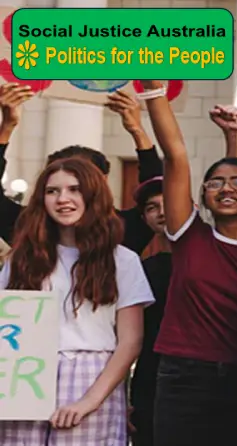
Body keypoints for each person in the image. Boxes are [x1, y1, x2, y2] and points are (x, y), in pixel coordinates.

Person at [133, 80, 237, 446]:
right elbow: (175, 156)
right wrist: (155, 94)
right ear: (203, 197)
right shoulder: (191, 238)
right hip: (183, 383)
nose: (226, 188)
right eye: (214, 182)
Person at [0, 157, 154, 445]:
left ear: (93, 195)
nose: (63, 199)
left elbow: (130, 341)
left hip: (92, 375)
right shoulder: (21, 259)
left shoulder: (122, 260)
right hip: (25, 375)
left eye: (74, 189)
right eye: (52, 191)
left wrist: (89, 401)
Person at [0, 84, 163, 255]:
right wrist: (7, 127)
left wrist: (137, 130)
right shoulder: (28, 229)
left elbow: (157, 191)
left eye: (77, 187)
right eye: (54, 189)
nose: (64, 199)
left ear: (103, 182)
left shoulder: (122, 231)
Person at [128, 175, 170, 446]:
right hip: (150, 384)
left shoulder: (210, 260)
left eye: (168, 202)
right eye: (152, 207)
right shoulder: (139, 269)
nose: (162, 211)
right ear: (144, 218)